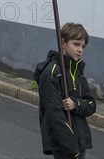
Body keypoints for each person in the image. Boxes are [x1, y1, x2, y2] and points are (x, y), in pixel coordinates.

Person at [34, 22, 96, 159]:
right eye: (76, 44)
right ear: (63, 43)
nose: (80, 50)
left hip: (80, 142)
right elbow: (53, 113)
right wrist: (71, 147)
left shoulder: (78, 70)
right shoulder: (52, 72)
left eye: (83, 46)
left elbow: (91, 105)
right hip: (65, 145)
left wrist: (76, 104)